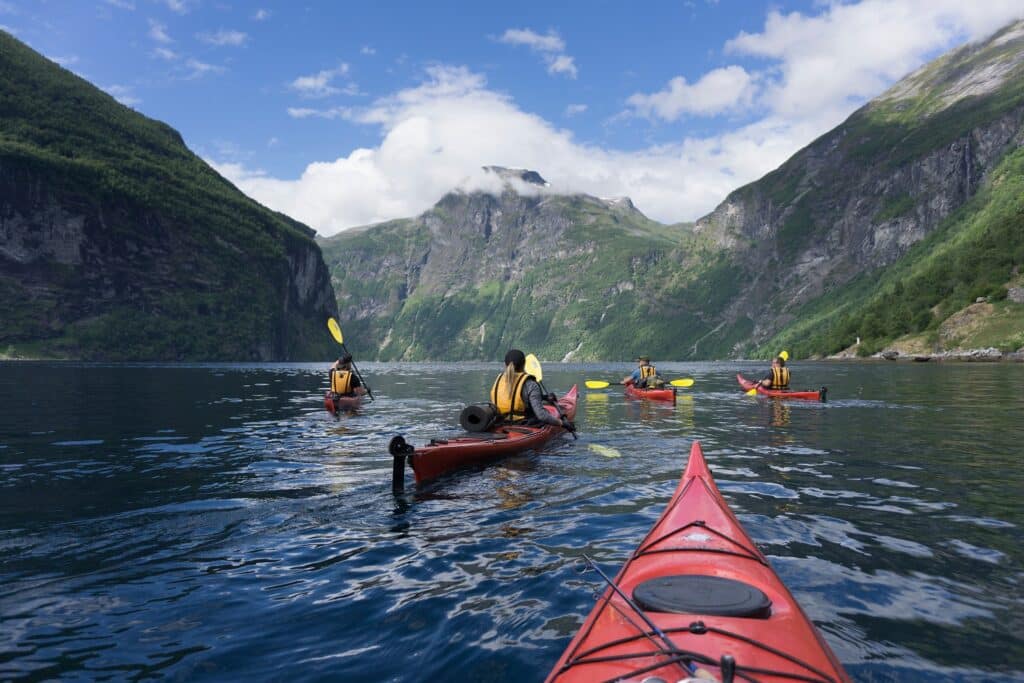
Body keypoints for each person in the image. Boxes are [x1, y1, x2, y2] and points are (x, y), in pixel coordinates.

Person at [490, 349, 574, 432]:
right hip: (523, 425)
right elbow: (541, 415)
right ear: (524, 364)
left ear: (505, 364)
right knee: (545, 413)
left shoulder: (498, 380)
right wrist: (562, 423)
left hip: (500, 423)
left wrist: (544, 397)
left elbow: (513, 398)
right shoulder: (530, 384)